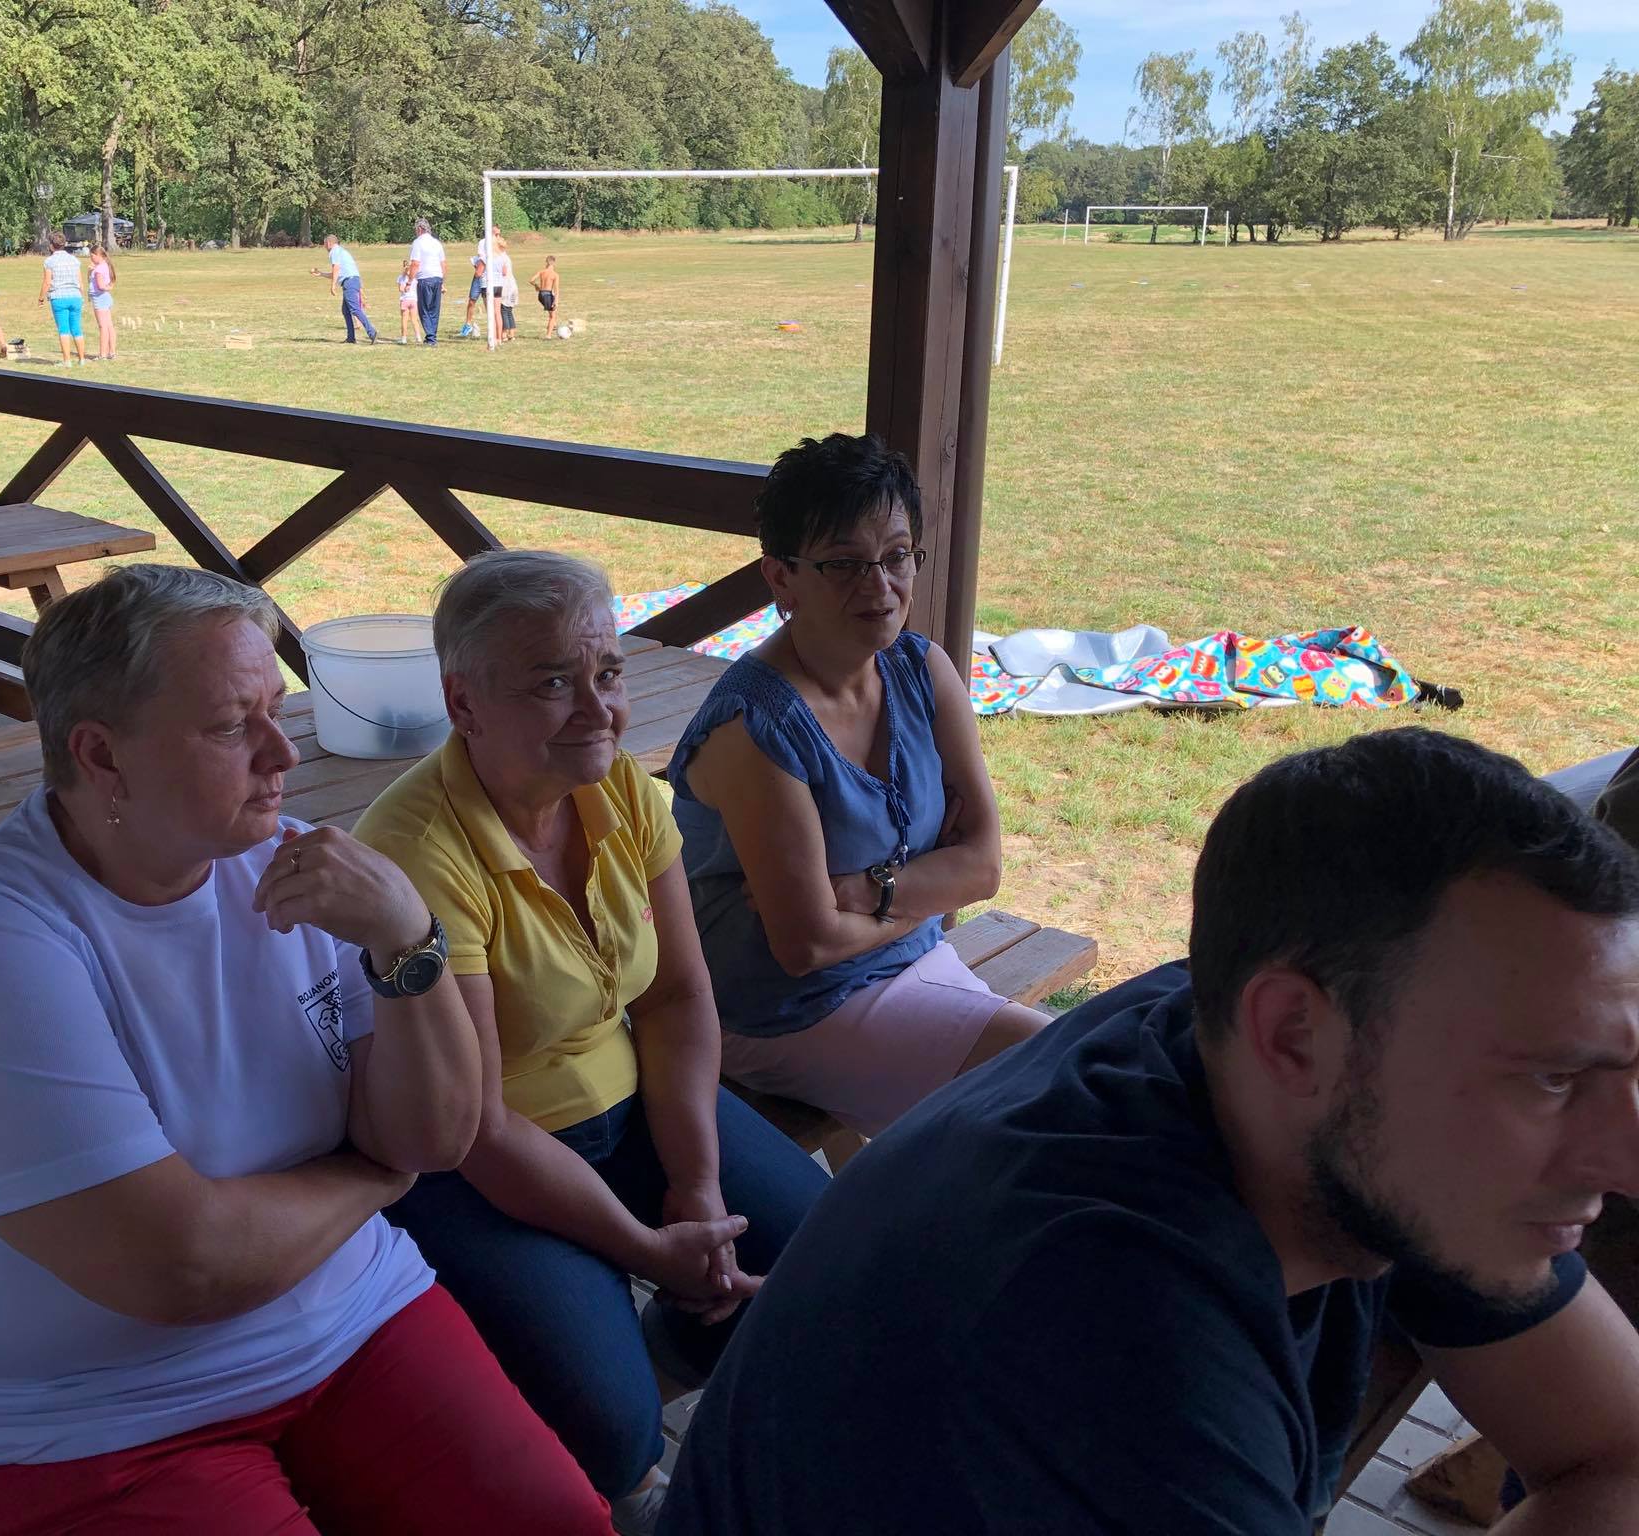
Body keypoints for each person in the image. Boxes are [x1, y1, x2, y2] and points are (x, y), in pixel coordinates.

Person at [663, 727, 1639, 1536]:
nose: (1624, 1159)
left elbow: (1618, 1451)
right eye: (1553, 1079)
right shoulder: (1110, 1359)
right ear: (1292, 1035)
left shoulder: (1297, 1074)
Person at [0, 564, 614, 1536]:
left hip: (342, 1318)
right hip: (62, 1417)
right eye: (230, 726)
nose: (282, 753)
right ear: (101, 756)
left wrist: (405, 938)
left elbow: (434, 1137)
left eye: (278, 711)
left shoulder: (299, 868)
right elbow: (180, 1268)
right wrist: (373, 1179)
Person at [354, 551, 828, 1536]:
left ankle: (672, 1338)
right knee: (612, 1431)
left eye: (606, 671)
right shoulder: (416, 851)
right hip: (478, 1158)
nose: (597, 708)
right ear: (463, 702)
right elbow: (478, 1123)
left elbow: (676, 998)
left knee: (828, 1262)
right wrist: (649, 1247)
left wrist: (697, 1188)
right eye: (551, 683)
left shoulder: (623, 793)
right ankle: (624, 1400)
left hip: (635, 1101)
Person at [667, 433, 1047, 1138]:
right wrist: (926, 890)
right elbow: (805, 948)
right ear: (781, 576)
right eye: (843, 564)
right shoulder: (757, 726)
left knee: (1071, 1076)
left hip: (908, 964)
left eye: (896, 555)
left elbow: (985, 867)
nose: (879, 586)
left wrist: (868, 892)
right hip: (784, 1013)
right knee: (1046, 1082)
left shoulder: (922, 671)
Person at [36, 232, 87, 365]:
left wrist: (41, 298)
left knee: (63, 329)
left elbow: (47, 282)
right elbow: (80, 281)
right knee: (76, 328)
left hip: (59, 297)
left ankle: (67, 361)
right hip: (75, 296)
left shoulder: (49, 261)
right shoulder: (74, 260)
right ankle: (82, 359)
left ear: (51, 245)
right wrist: (82, 297)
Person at [318, 233, 376, 345]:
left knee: (355, 309)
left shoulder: (334, 251)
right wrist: (321, 274)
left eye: (324, 244)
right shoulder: (341, 251)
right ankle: (351, 338)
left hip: (349, 282)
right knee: (346, 310)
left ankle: (372, 332)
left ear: (329, 243)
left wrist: (333, 286)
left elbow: (336, 268)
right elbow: (337, 273)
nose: (324, 246)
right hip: (352, 280)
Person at [408, 218, 446, 345]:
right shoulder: (437, 243)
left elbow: (415, 263)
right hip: (437, 277)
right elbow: (443, 263)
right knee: (434, 309)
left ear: (419, 229)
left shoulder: (418, 243)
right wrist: (442, 281)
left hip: (425, 278)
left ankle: (431, 337)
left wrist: (409, 281)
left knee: (424, 309)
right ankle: (432, 335)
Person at [461, 223, 500, 337]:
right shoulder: (483, 242)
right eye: (495, 234)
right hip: (480, 275)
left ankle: (496, 332)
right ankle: (468, 325)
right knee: (472, 300)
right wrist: (478, 269)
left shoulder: (499, 243)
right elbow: (481, 259)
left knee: (492, 305)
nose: (498, 236)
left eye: (499, 234)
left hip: (492, 278)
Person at [88, 245, 119, 361]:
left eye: (92, 256)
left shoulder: (99, 270)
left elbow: (100, 286)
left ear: (98, 255)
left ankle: (102, 354)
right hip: (105, 298)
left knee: (103, 327)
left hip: (100, 299)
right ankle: (112, 352)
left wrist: (108, 288)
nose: (91, 258)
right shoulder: (104, 266)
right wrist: (90, 271)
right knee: (109, 325)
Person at [495, 238, 519, 343]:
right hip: (512, 285)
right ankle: (512, 334)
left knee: (503, 310)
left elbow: (503, 273)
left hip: (506, 286)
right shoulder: (506, 257)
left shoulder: (501, 257)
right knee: (509, 310)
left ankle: (504, 334)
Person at [534, 255, 561, 338]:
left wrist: (536, 286)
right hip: (548, 295)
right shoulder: (555, 274)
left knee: (551, 312)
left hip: (541, 295)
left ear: (546, 262)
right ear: (554, 263)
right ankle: (548, 335)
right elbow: (556, 289)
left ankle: (554, 325)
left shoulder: (541, 272)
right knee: (552, 316)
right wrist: (556, 301)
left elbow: (531, 280)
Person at [396, 259, 418, 345]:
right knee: (414, 319)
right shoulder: (415, 277)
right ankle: (418, 337)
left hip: (405, 300)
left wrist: (405, 288)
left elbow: (401, 289)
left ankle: (404, 338)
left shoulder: (401, 277)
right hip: (414, 300)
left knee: (404, 320)